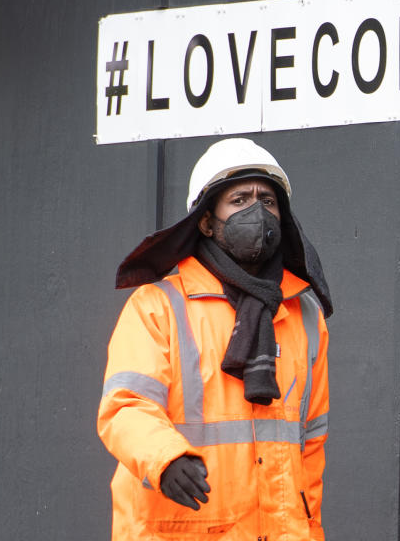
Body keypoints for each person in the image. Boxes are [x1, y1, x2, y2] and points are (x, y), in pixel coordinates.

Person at [97, 138, 333, 540]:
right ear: (206, 221)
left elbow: (308, 447)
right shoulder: (158, 306)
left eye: (268, 200)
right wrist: (166, 458)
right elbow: (124, 408)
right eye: (239, 200)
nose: (257, 211)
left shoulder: (304, 316)